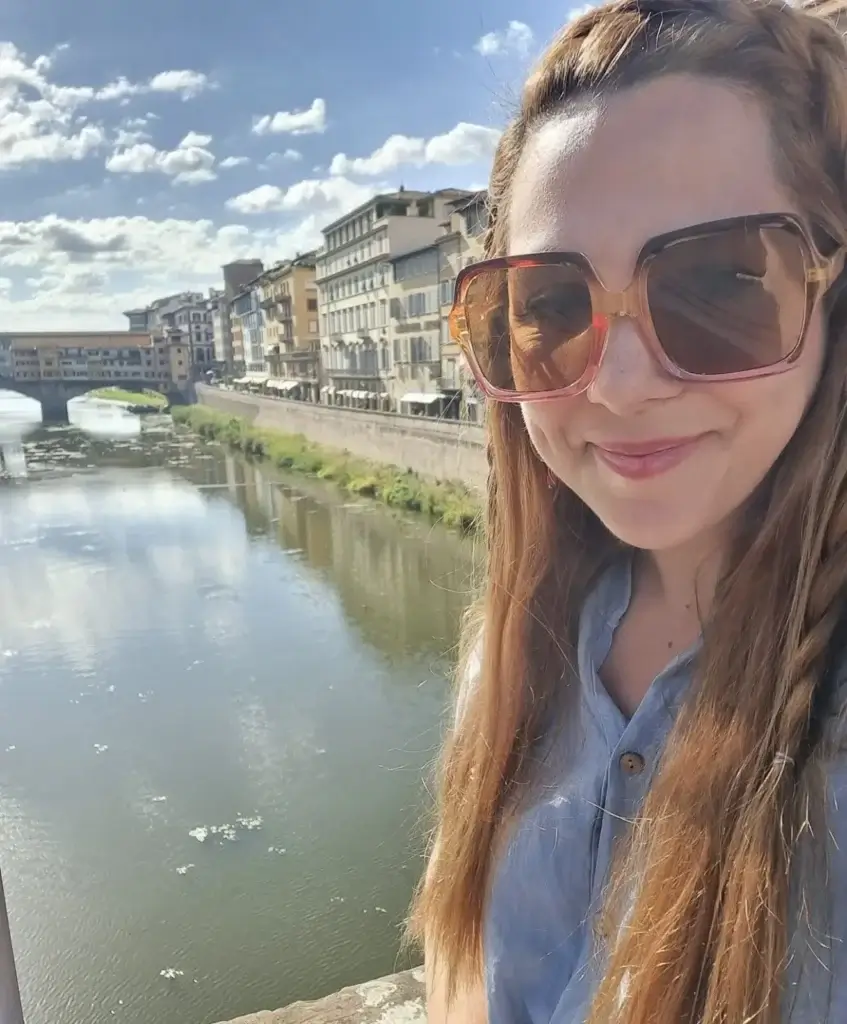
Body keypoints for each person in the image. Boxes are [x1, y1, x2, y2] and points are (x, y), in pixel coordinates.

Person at [408, 1, 847, 1022]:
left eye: (715, 282)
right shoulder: (519, 642)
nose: (618, 384)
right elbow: (462, 979)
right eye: (549, 306)